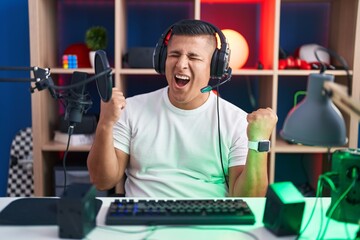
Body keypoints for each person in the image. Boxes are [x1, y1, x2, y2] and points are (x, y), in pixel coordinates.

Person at [87, 19, 278, 198]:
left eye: (193, 57)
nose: (181, 65)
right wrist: (105, 123)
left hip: (207, 219)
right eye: (174, 55)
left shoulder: (236, 121)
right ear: (163, 60)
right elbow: (102, 181)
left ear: (214, 67)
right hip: (143, 217)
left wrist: (258, 142)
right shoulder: (132, 109)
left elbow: (249, 199)